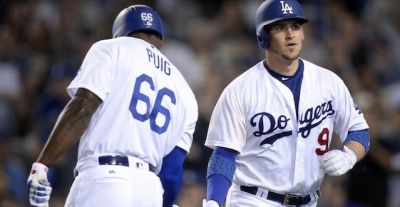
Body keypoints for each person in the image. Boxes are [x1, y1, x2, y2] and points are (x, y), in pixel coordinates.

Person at [202, 0, 370, 206]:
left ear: (303, 33)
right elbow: (223, 156)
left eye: (295, 26)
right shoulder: (240, 90)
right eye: (280, 28)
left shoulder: (329, 82)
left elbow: (359, 131)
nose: (290, 35)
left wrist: (350, 155)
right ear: (264, 37)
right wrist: (213, 201)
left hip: (309, 200)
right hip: (253, 199)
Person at [27, 4, 198, 207]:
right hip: (150, 190)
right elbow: (171, 171)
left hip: (105, 180)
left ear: (120, 33)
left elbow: (83, 107)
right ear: (160, 39)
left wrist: (43, 163)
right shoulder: (185, 91)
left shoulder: (110, 48)